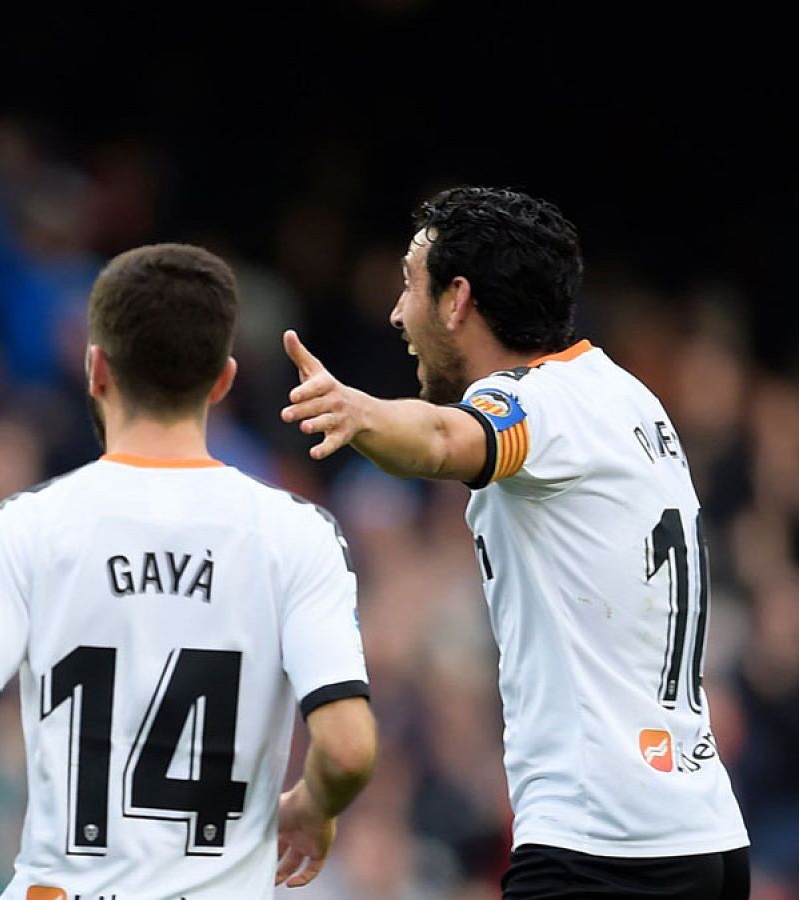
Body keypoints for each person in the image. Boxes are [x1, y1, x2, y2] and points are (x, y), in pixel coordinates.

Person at [0, 243, 378, 898]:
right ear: (223, 380)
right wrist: (314, 806)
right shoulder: (299, 535)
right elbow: (347, 750)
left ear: (95, 370)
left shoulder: (28, 526)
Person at [280, 185, 750, 899]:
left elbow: (444, 440)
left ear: (457, 299)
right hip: (704, 835)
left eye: (410, 284)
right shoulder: (623, 396)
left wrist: (357, 411)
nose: (396, 313)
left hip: (604, 847)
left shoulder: (539, 402)